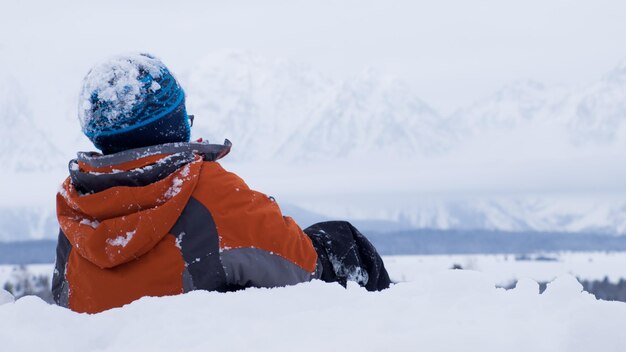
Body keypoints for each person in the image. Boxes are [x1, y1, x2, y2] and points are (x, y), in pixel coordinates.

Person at [52, 53, 390, 313]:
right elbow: (304, 267)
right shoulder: (205, 191)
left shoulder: (79, 208)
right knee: (342, 242)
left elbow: (64, 297)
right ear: (171, 126)